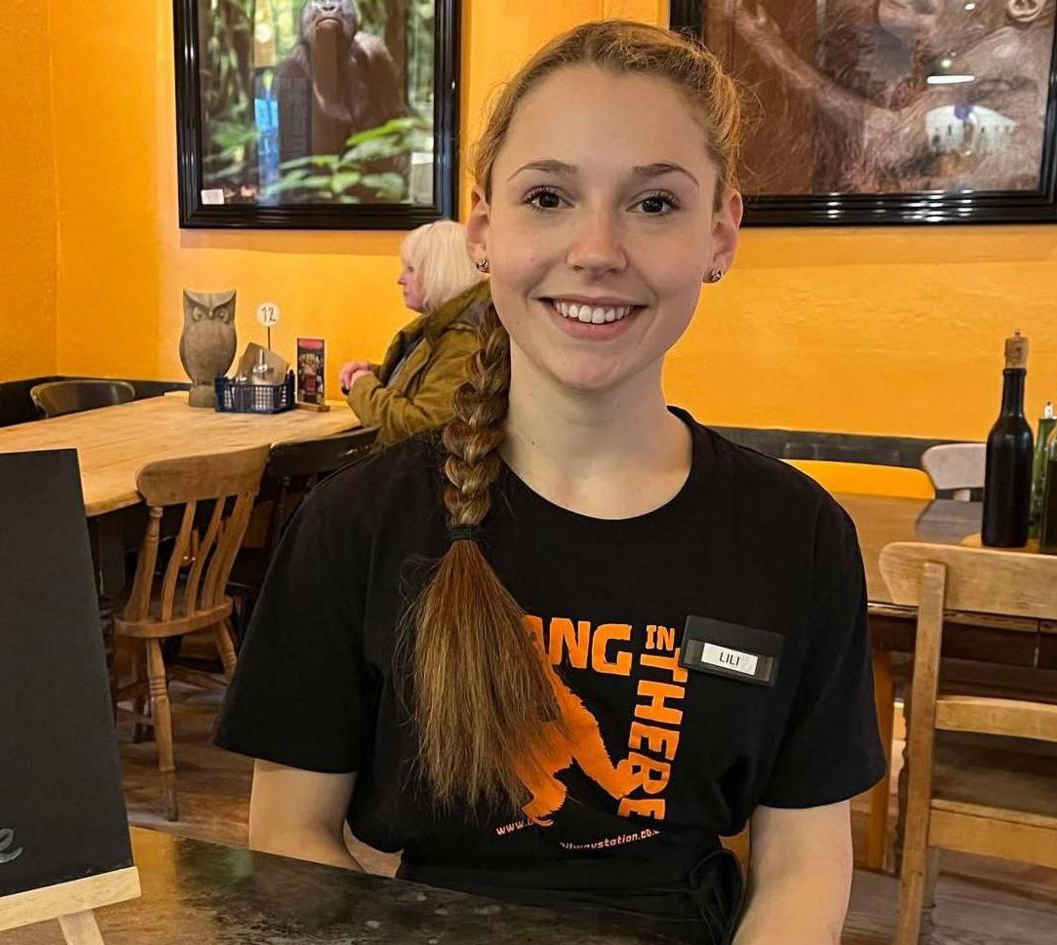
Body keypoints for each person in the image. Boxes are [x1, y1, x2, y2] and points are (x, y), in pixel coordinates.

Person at [216, 19, 883, 945]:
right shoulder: (357, 524)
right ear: (485, 228)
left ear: (721, 232)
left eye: (654, 204)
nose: (597, 248)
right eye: (549, 197)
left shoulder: (796, 536)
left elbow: (805, 857)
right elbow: (289, 836)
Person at [339, 221, 490, 445]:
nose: (400, 279)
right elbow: (425, 386)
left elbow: (420, 431)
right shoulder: (443, 327)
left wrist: (363, 386)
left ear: (439, 271)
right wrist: (374, 375)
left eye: (410, 269)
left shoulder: (463, 339)